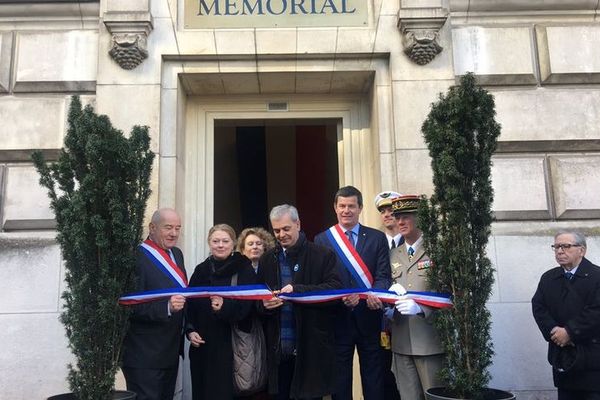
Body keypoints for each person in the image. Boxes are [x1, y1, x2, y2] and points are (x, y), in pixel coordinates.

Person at [257, 204, 342, 400]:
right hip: (279, 352)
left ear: (298, 224)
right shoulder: (267, 260)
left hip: (310, 350)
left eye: (286, 229)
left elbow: (335, 291)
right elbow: (257, 298)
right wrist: (264, 305)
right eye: (276, 230)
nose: (281, 234)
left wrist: (298, 291)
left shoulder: (322, 254)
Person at [314, 186, 391, 400]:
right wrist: (340, 298)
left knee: (374, 378)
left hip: (370, 316)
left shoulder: (377, 238)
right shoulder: (323, 239)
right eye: (342, 206)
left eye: (351, 206)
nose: (346, 210)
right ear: (335, 208)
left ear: (360, 208)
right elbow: (321, 280)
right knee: (340, 381)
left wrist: (377, 295)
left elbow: (384, 275)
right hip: (338, 320)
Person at [121, 208, 188, 400]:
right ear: (152, 227)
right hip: (144, 356)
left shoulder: (177, 254)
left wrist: (189, 327)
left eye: (177, 228)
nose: (173, 233)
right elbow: (128, 304)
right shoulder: (136, 257)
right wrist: (166, 307)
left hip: (170, 352)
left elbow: (183, 296)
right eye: (168, 228)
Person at [186, 224, 257, 400]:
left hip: (231, 347)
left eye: (225, 241)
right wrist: (190, 330)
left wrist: (224, 308)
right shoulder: (201, 270)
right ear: (209, 243)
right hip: (202, 347)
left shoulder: (244, 268)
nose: (220, 245)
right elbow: (189, 304)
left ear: (233, 244)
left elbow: (249, 308)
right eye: (215, 241)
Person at [532, 231, 600, 400]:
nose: (560, 251)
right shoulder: (549, 278)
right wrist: (554, 331)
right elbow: (539, 307)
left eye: (566, 246)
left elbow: (596, 311)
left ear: (582, 250)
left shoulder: (597, 276)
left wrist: (569, 331)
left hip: (591, 357)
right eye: (556, 246)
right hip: (562, 356)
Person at [388, 195, 444, 400]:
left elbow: (450, 294)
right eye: (397, 217)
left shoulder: (437, 249)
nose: (400, 222)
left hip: (429, 341)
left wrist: (422, 308)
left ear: (419, 217)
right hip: (401, 341)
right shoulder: (393, 254)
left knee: (434, 396)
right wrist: (387, 305)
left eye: (406, 216)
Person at [374, 191, 403, 400]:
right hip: (381, 319)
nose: (387, 214)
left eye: (391, 209)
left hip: (407, 319)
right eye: (382, 211)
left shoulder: (410, 241)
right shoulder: (375, 242)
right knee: (383, 373)